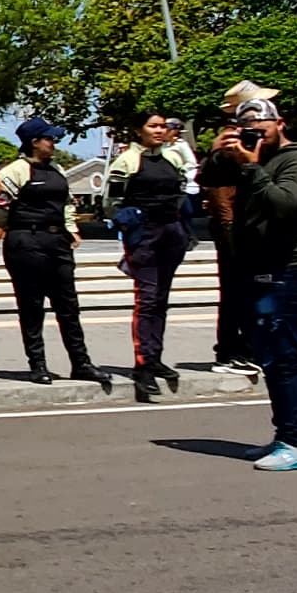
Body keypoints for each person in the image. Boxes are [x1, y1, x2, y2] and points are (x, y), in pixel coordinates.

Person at [212, 97, 297, 472]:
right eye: (247, 128)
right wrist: (221, 154)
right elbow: (207, 181)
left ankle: (295, 443)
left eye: (261, 127)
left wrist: (253, 169)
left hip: (288, 270)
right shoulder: (249, 157)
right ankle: (283, 437)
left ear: (280, 124)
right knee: (270, 358)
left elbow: (286, 205)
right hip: (255, 268)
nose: (254, 135)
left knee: (284, 358)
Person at [0, 118, 111, 388]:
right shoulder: (17, 171)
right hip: (26, 242)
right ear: (34, 142)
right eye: (49, 139)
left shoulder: (56, 168)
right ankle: (38, 365)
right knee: (32, 306)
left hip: (56, 242)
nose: (53, 143)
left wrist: (70, 228)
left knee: (68, 307)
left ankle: (81, 363)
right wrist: (2, 226)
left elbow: (67, 202)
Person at [107, 112, 198, 401]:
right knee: (146, 299)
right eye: (153, 126)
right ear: (139, 130)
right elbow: (111, 202)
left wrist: (185, 230)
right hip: (144, 235)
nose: (160, 130)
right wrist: (129, 223)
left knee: (161, 299)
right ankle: (143, 365)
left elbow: (183, 195)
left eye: (163, 126)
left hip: (171, 234)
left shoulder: (173, 159)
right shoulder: (127, 161)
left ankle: (154, 356)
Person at [200, 81, 282, 376]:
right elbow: (214, 187)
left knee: (255, 291)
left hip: (257, 227)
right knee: (235, 291)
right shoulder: (228, 143)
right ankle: (230, 351)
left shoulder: (268, 145)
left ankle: (251, 346)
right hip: (234, 228)